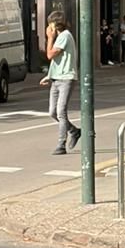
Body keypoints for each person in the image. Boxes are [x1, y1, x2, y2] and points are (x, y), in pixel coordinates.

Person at [41, 12, 81, 156]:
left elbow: (50, 55)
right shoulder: (62, 37)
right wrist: (49, 76)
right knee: (52, 112)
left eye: (49, 24)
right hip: (57, 79)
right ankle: (74, 131)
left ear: (54, 25)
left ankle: (61, 144)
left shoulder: (64, 36)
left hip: (66, 79)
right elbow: (57, 61)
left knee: (61, 112)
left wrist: (49, 38)